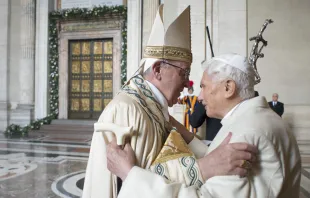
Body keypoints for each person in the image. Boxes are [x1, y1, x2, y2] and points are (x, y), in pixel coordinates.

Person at [83, 4, 259, 198]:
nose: (186, 83)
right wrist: (203, 167)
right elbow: (132, 183)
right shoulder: (128, 109)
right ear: (158, 69)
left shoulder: (153, 106)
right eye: (184, 73)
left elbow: (146, 177)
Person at [106, 53, 301, 198]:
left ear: (228, 88)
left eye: (203, 86)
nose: (199, 96)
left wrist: (130, 175)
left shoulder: (246, 133)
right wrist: (182, 132)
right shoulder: (261, 119)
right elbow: (218, 156)